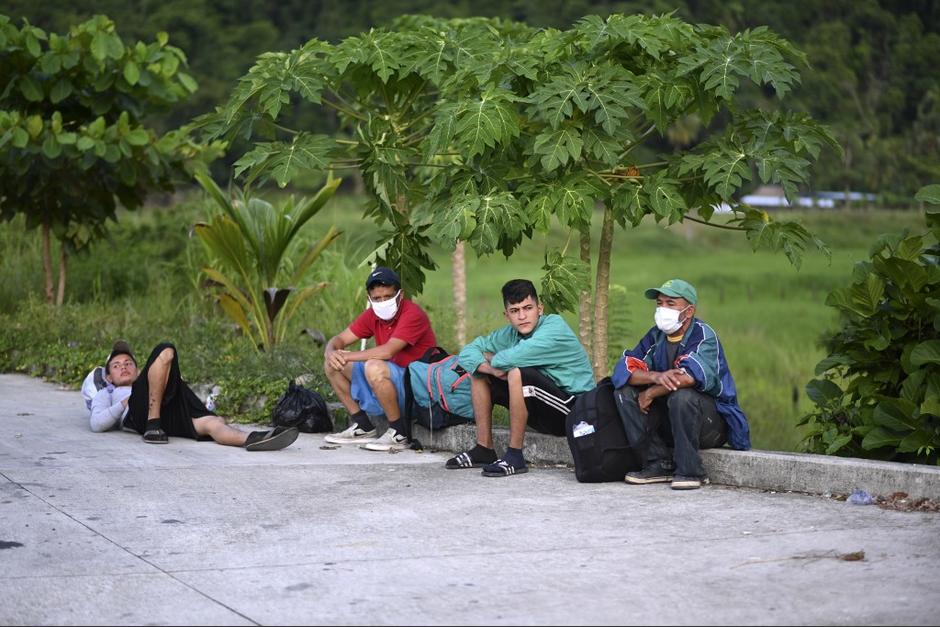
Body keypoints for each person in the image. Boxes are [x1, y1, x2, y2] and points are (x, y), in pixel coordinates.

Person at [447, 279, 595, 477]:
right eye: (515, 311)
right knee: (478, 373)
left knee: (516, 371)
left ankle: (515, 456)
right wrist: (489, 369)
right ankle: (484, 449)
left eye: (528, 308)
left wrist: (493, 359)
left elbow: (505, 360)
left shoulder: (554, 328)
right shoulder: (510, 334)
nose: (522, 316)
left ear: (539, 308)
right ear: (506, 315)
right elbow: (467, 353)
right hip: (542, 407)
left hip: (572, 411)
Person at [611, 279, 750, 490]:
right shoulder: (655, 336)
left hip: (710, 424)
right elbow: (625, 370)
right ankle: (659, 463)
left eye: (670, 303)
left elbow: (688, 377)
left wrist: (650, 393)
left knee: (681, 396)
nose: (663, 309)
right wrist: (656, 377)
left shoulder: (703, 335)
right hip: (672, 419)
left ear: (689, 310)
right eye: (659, 303)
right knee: (624, 392)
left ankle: (691, 471)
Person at [89, 340, 299, 451]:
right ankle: (153, 425)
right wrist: (123, 403)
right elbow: (97, 424)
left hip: (167, 415)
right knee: (166, 349)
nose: (123, 367)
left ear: (138, 370)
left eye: (128, 364)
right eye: (116, 366)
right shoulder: (107, 393)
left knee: (211, 423)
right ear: (108, 377)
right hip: (141, 416)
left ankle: (253, 439)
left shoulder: (148, 380)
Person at [323, 266, 438, 451]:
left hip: (418, 391)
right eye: (377, 299)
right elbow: (340, 339)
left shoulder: (412, 314)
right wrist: (330, 352)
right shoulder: (372, 315)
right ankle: (363, 426)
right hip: (391, 383)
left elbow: (388, 352)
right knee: (333, 364)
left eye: (388, 297)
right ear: (370, 299)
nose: (383, 302)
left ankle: (399, 433)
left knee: (373, 366)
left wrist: (346, 354)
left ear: (400, 295)